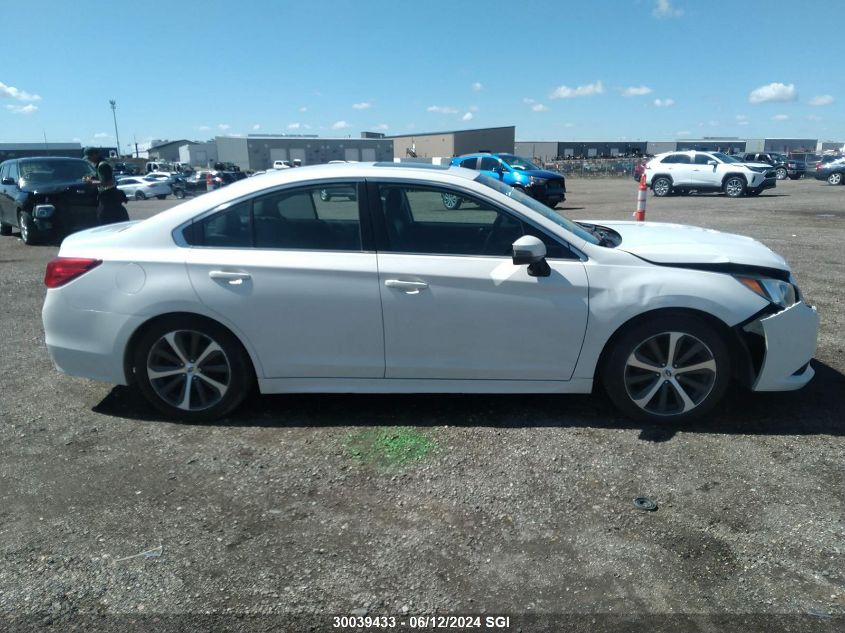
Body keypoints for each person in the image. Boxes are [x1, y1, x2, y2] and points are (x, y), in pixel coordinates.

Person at [83, 147, 129, 225]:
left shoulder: (103, 165)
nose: (89, 160)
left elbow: (108, 182)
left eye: (90, 157)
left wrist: (90, 181)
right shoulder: (99, 164)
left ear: (95, 155)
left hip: (109, 196)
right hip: (109, 196)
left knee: (105, 219)